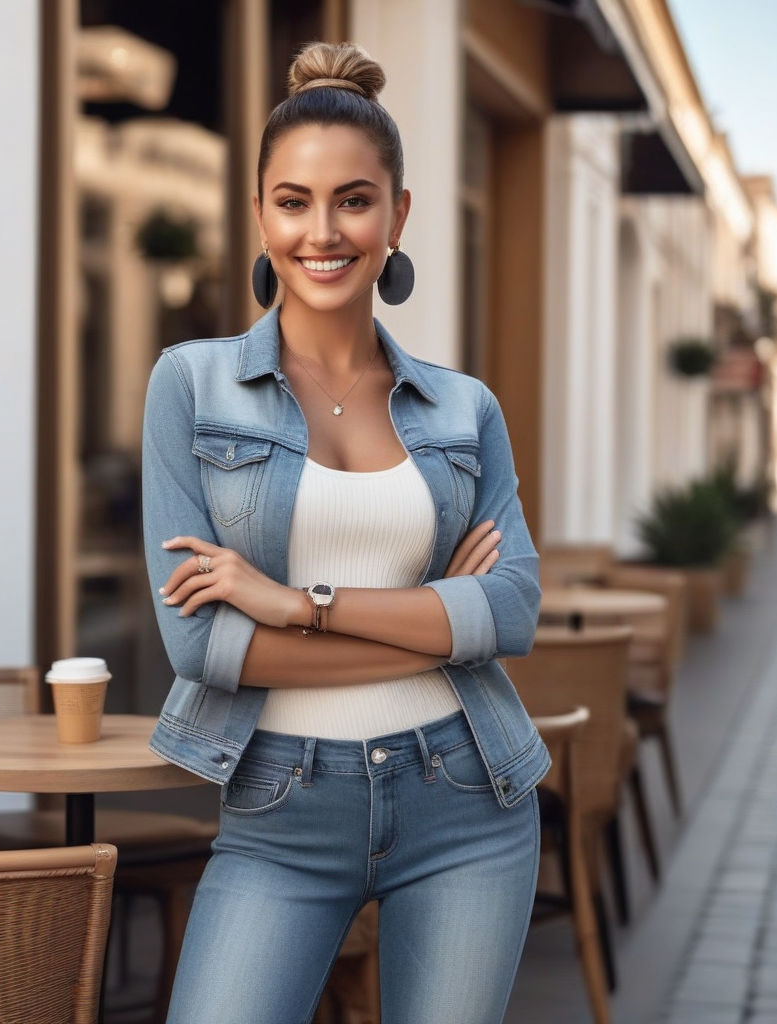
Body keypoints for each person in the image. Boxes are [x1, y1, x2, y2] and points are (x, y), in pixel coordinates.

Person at [141, 41, 549, 1024]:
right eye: (293, 201)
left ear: (397, 214)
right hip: (279, 807)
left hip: (467, 799)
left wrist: (296, 605)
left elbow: (512, 609)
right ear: (259, 214)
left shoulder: (462, 410)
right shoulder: (189, 388)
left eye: (353, 200)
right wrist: (432, 620)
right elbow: (203, 646)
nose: (322, 232)